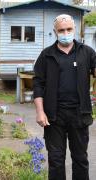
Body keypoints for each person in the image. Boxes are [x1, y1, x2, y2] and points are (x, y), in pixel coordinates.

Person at [33, 14, 96, 180]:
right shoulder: (46, 55)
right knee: (56, 160)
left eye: (69, 29)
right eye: (61, 30)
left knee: (81, 159)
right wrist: (40, 112)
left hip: (79, 114)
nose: (65, 33)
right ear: (55, 32)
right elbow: (38, 84)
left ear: (74, 29)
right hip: (54, 116)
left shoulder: (87, 52)